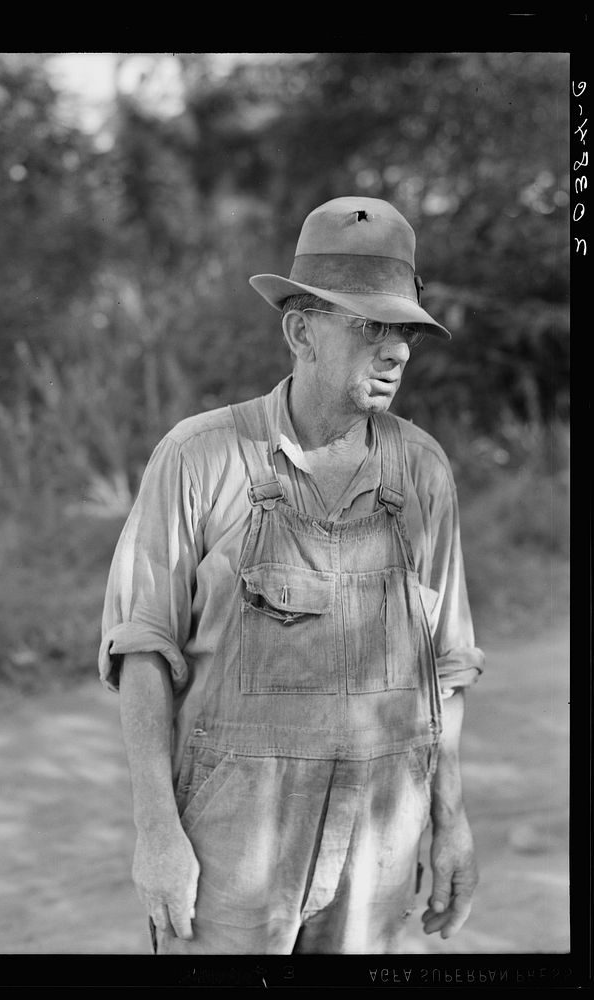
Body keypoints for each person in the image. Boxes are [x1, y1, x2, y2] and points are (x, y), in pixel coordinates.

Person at [99, 196, 484, 955]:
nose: (397, 350)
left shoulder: (422, 470)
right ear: (300, 330)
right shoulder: (201, 456)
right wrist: (157, 833)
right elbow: (142, 648)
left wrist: (450, 822)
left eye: (403, 329)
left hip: (380, 840)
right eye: (369, 326)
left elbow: (446, 670)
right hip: (231, 847)